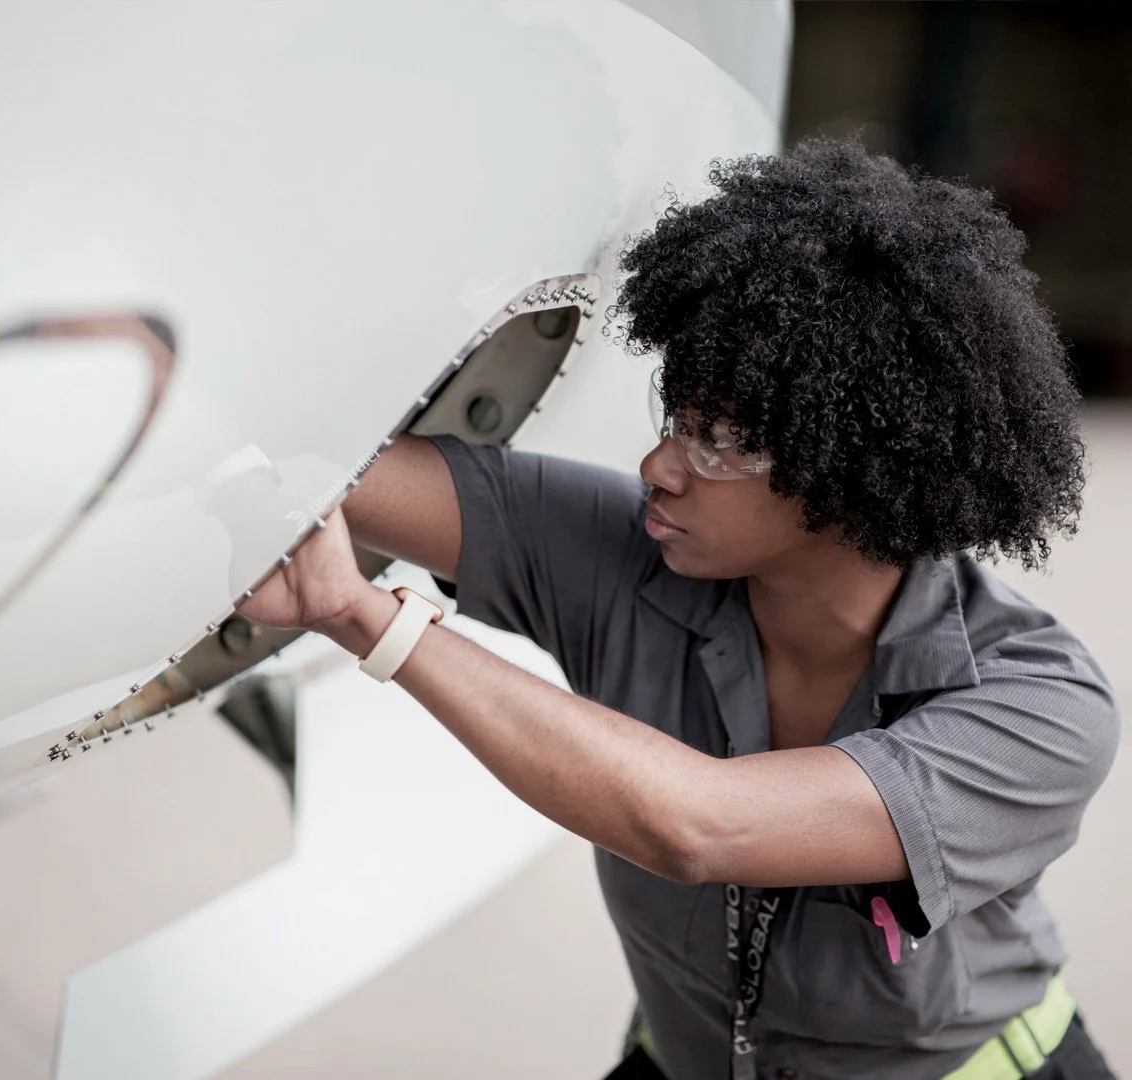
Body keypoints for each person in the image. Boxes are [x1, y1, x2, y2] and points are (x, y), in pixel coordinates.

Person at [237, 137, 1121, 1079]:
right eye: (676, 421)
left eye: (721, 442)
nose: (660, 468)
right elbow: (321, 466)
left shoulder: (1041, 712)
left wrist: (367, 617)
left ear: (855, 479)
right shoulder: (637, 550)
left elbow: (695, 826)